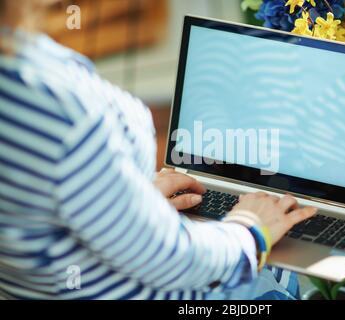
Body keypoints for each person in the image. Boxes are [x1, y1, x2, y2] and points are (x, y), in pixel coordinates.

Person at [0, 0, 316, 299]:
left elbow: (46, 198)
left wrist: (125, 199)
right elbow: (175, 260)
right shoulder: (59, 111)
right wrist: (250, 229)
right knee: (278, 267)